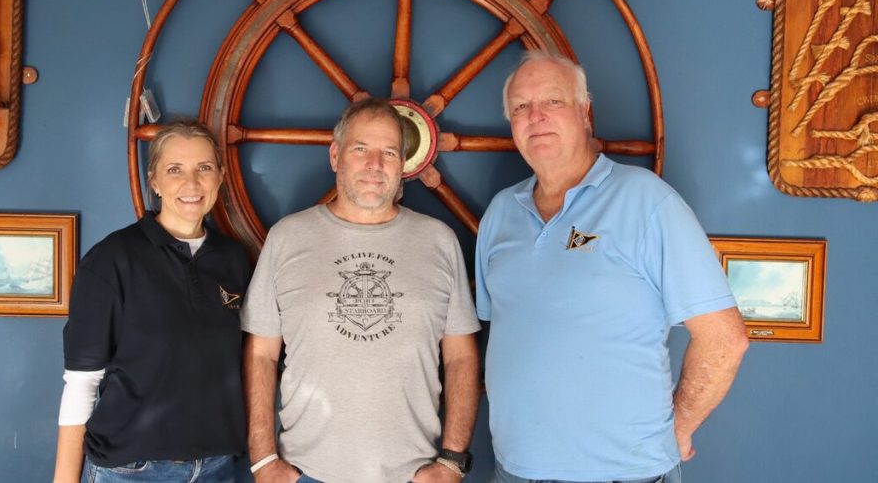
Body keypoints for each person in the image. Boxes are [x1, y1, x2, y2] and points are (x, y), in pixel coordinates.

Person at [475, 51, 749, 483]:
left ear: (585, 112)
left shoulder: (647, 201)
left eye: (553, 101)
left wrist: (678, 430)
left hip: (625, 475)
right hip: (514, 470)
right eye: (521, 107)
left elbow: (724, 339)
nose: (536, 117)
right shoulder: (500, 214)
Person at [242, 98, 481, 483]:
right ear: (336, 155)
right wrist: (263, 460)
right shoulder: (287, 237)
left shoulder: (439, 240)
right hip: (306, 473)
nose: (375, 164)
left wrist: (452, 461)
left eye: (388, 151)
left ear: (403, 163)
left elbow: (460, 357)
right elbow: (261, 353)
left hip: (413, 474)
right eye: (360, 149)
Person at [52, 121, 252, 483]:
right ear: (155, 181)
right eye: (175, 170)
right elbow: (82, 382)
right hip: (132, 471)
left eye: (203, 168)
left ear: (220, 176)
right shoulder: (111, 260)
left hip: (220, 467)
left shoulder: (234, 260)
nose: (191, 183)